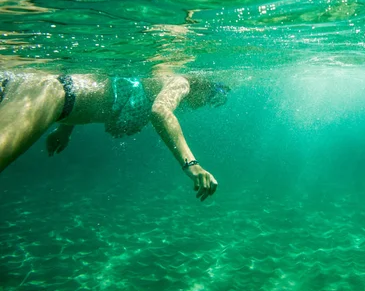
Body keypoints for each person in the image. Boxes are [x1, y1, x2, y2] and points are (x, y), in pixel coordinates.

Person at [0, 71, 228, 201]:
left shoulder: (158, 80)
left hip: (52, 98)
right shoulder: (181, 81)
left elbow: (96, 92)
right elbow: (160, 112)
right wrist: (192, 165)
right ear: (204, 84)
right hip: (49, 94)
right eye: (211, 97)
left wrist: (64, 128)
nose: (206, 104)